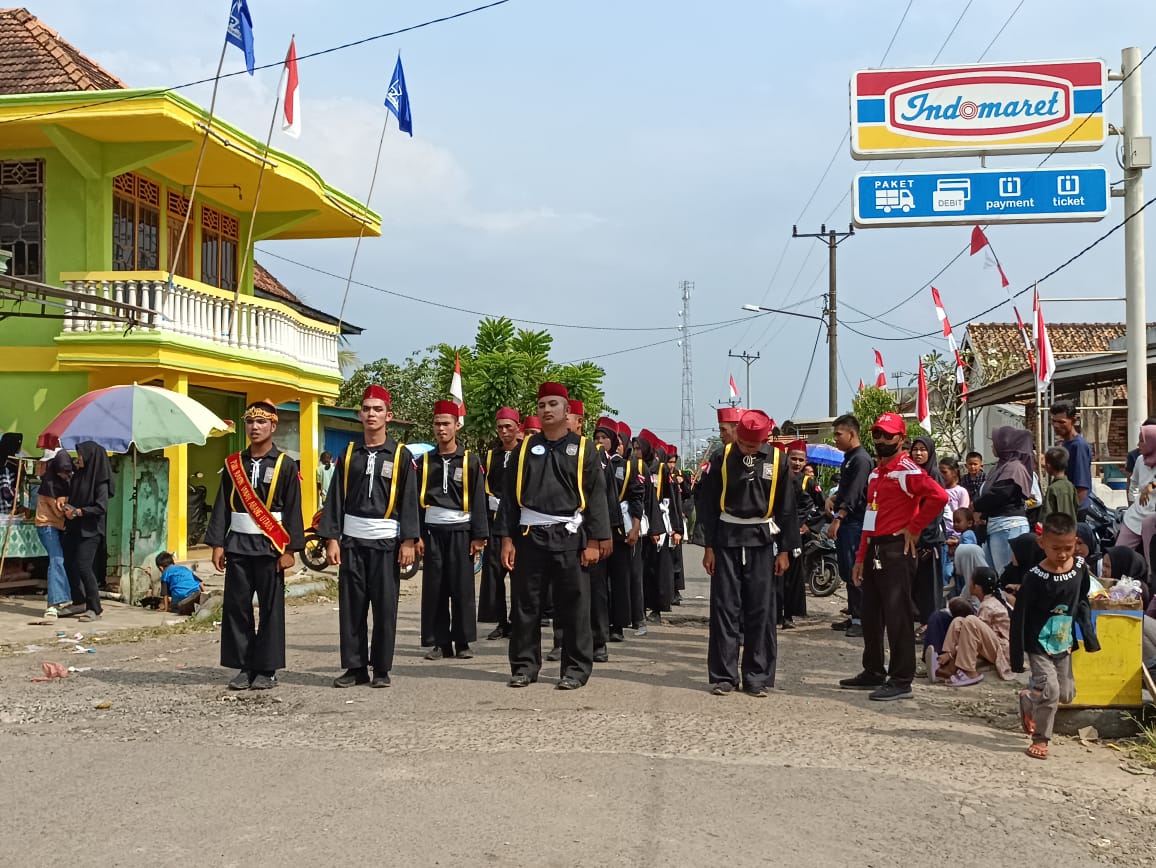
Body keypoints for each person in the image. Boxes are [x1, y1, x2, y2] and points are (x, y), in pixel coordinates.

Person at [497, 382, 610, 690]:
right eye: (542, 405)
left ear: (567, 410)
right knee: (525, 604)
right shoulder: (523, 451)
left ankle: (574, 669)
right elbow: (509, 498)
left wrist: (594, 541)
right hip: (530, 536)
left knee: (573, 606)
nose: (546, 410)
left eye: (553, 405)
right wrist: (507, 539)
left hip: (570, 538)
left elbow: (596, 496)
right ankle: (524, 666)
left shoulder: (585, 449)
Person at [839, 413, 948, 702]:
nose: (881, 440)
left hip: (896, 550)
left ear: (901, 438)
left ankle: (901, 679)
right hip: (875, 546)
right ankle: (873, 670)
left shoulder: (907, 469)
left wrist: (914, 529)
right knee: (871, 613)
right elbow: (869, 518)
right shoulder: (877, 472)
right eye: (877, 434)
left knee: (898, 615)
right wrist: (861, 556)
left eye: (888, 435)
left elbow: (939, 496)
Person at [319, 385, 420, 688]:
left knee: (385, 606)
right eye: (367, 409)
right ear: (360, 414)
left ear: (389, 416)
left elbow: (410, 500)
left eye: (378, 409)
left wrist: (409, 541)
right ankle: (355, 667)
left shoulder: (401, 455)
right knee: (352, 607)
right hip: (352, 541)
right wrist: (331, 538)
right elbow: (335, 498)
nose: (372, 414)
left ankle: (382, 669)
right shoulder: (349, 454)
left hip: (387, 543)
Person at [697, 410, 800, 697]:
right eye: (742, 443)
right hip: (727, 539)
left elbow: (787, 508)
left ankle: (757, 676)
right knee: (724, 608)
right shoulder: (721, 457)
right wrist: (708, 546)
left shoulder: (778, 461)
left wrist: (785, 551)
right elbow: (707, 505)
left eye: (752, 447)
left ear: (764, 440)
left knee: (761, 610)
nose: (746, 450)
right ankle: (723, 676)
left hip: (762, 541)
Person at [206, 400, 305, 691]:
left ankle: (267, 669)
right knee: (237, 607)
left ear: (273, 426)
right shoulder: (234, 464)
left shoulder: (286, 465)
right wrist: (217, 543)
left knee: (271, 609)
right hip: (237, 544)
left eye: (261, 422)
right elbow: (222, 504)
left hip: (270, 546)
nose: (255, 427)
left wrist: (290, 550)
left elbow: (293, 509)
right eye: (250, 422)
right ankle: (244, 666)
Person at [1011, 511, 1099, 760]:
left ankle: (1029, 700)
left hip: (1064, 641)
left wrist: (1089, 638)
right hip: (1037, 643)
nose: (1062, 554)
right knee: (1050, 691)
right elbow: (1020, 617)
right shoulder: (1034, 578)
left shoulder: (1080, 569)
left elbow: (1082, 601)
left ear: (1076, 543)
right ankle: (1041, 739)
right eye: (1055, 548)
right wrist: (1017, 656)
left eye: (1068, 548)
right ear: (1042, 543)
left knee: (1065, 694)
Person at [416, 400, 488, 661]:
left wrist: (479, 536)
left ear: (457, 425)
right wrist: (417, 536)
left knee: (461, 587)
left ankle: (463, 641)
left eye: (446, 423)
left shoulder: (470, 460)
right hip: (433, 531)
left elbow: (479, 498)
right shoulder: (423, 462)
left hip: (461, 531)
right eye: (437, 424)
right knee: (435, 587)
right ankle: (440, 643)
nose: (441, 428)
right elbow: (415, 501)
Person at [595, 417, 644, 648]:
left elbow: (637, 497)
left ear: (614, 442)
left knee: (620, 579)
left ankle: (618, 625)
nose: (600, 441)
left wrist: (635, 526)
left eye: (604, 438)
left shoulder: (626, 465)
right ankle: (600, 625)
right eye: (597, 438)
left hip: (620, 530)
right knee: (598, 582)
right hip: (597, 528)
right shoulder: (591, 463)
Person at [826, 414, 873, 638]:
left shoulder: (861, 459)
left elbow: (855, 493)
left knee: (856, 570)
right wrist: (833, 500)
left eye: (838, 434)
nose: (835, 439)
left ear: (852, 434)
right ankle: (854, 614)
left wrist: (839, 517)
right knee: (846, 569)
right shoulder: (849, 459)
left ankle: (862, 620)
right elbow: (845, 490)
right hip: (848, 521)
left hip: (855, 522)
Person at [479, 407, 522, 641]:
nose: (504, 431)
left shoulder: (525, 454)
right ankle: (500, 621)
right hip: (495, 521)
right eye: (500, 427)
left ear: (517, 427)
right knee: (495, 574)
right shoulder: (491, 456)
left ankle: (518, 621)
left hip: (519, 524)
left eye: (508, 426)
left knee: (519, 575)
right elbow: (484, 484)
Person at [60, 441, 115, 623]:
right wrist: (67, 506)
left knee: (84, 566)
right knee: (70, 564)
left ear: (91, 456)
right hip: (74, 528)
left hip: (91, 531)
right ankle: (79, 602)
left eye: (81, 455)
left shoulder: (100, 480)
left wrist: (78, 512)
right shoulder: (79, 476)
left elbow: (101, 507)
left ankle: (95, 608)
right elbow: (75, 499)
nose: (79, 458)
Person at [932, 567, 1013, 686]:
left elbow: (975, 636)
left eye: (970, 581)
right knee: (958, 621)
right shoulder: (986, 602)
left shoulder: (988, 606)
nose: (968, 583)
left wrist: (952, 653)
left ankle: (969, 671)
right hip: (992, 644)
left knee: (971, 621)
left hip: (1002, 650)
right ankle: (949, 666)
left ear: (977, 587)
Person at [974, 427, 1033, 575]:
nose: (992, 446)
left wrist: (975, 506)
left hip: (1008, 526)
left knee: (1007, 574)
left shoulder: (1014, 468)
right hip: (996, 526)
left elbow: (999, 494)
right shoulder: (1000, 467)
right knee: (996, 575)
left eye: (995, 443)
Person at [922, 543, 989, 660]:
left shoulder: (986, 581)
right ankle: (934, 658)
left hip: (976, 631)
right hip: (966, 623)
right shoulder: (968, 584)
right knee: (938, 617)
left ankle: (941, 659)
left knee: (945, 619)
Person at [783, 439, 823, 627]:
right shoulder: (779, 476)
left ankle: (788, 615)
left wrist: (808, 525)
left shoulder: (808, 482)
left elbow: (823, 507)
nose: (797, 463)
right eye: (794, 459)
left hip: (796, 536)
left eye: (801, 460)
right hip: (776, 531)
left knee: (792, 574)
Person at [910, 435, 948, 625]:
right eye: (915, 449)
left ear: (930, 452)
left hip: (929, 541)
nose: (918, 453)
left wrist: (925, 540)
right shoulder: (912, 475)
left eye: (922, 449)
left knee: (930, 587)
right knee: (916, 586)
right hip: (913, 540)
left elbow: (935, 512)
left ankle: (930, 626)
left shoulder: (933, 475)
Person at [34, 446, 74, 620]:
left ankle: (63, 598)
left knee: (62, 560)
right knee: (56, 559)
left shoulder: (66, 481)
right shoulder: (49, 483)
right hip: (47, 525)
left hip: (59, 527)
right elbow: (59, 512)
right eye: (62, 472)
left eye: (68, 472)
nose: (65, 475)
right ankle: (54, 603)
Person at [1116, 423, 1156, 567]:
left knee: (1151, 558)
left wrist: (1152, 485)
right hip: (1137, 514)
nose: (1139, 444)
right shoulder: (1140, 460)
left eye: (1142, 440)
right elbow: (1133, 484)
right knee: (1119, 552)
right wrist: (1133, 502)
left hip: (1153, 518)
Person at [1050, 400, 1093, 512]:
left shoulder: (1078, 446)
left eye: (1061, 422)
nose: (1056, 426)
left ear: (1073, 421)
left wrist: (1069, 514)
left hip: (1076, 511)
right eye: (1053, 421)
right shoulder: (1064, 444)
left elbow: (1082, 487)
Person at [1039, 446, 1078, 524]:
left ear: (1048, 466)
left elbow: (1046, 515)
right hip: (1070, 529)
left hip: (1056, 531)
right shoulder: (1070, 486)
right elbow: (1076, 507)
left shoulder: (1052, 488)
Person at [947, 507, 978, 597]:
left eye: (958, 522)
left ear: (969, 523)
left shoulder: (968, 534)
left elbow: (967, 550)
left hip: (965, 571)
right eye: (954, 522)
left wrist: (956, 544)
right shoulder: (964, 534)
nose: (955, 524)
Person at [0, 432, 23, 514]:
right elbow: (5, 491)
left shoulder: (9, 462)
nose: (21, 447)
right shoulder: (6, 465)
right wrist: (17, 505)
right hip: (5, 509)